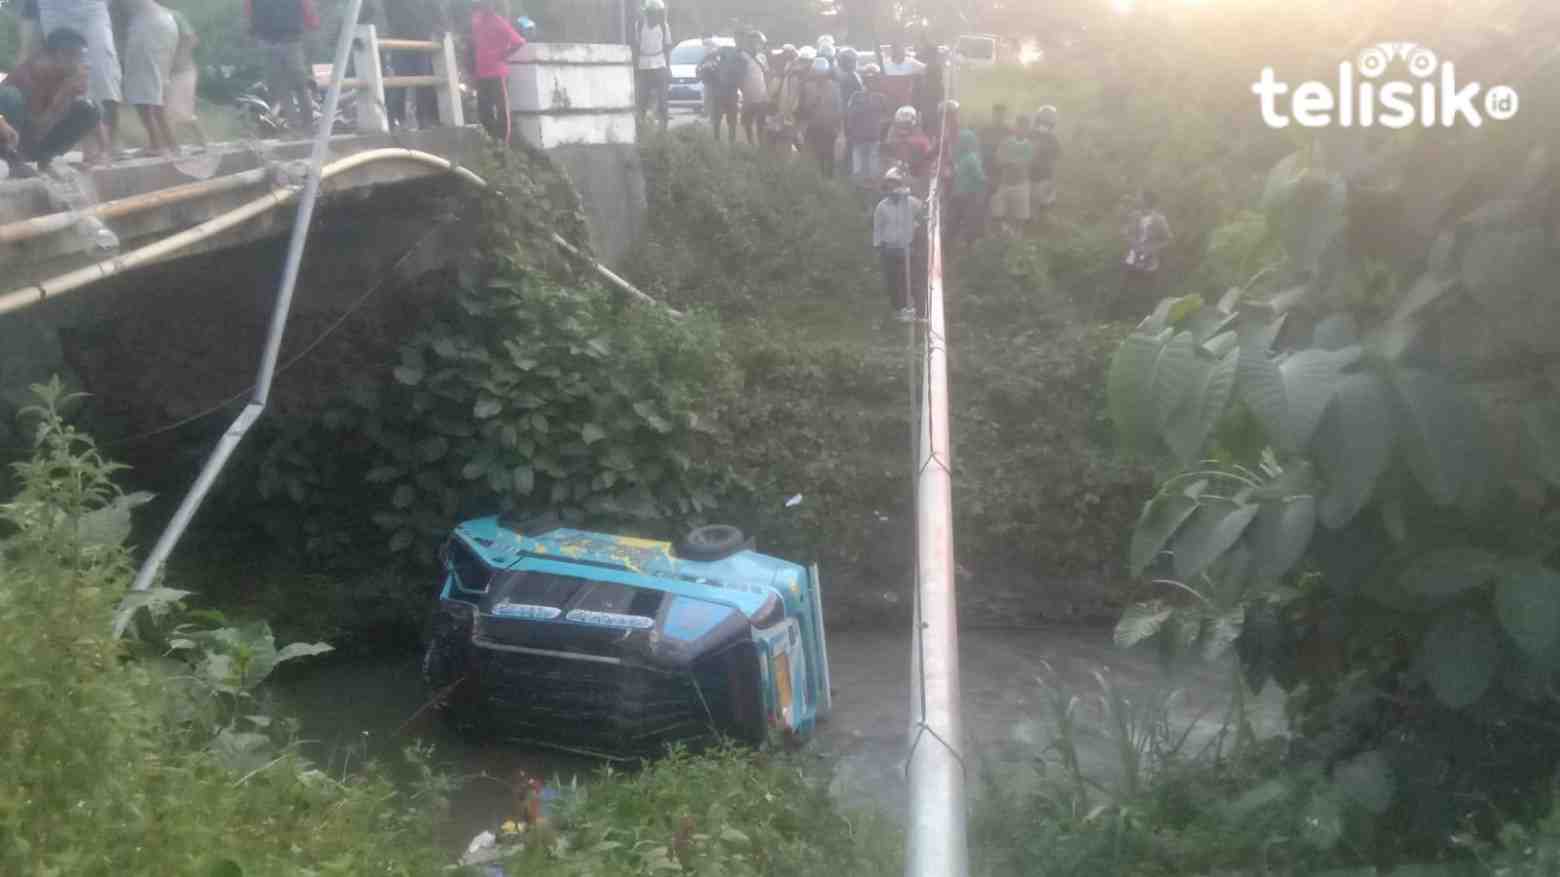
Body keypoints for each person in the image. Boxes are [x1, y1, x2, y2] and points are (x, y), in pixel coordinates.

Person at [0, 27, 101, 178]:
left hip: (33, 139)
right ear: (55, 55)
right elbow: (37, 130)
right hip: (14, 137)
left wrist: (100, 150)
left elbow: (56, 121)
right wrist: (63, 95)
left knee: (90, 108)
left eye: (81, 57)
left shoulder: (65, 75)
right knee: (10, 96)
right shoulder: (30, 76)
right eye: (74, 56)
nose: (79, 63)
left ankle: (45, 159)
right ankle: (13, 160)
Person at [38, 0, 119, 164]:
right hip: (52, 7)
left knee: (104, 74)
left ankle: (108, 146)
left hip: (90, 6)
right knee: (69, 79)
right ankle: (90, 149)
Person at [248, 0, 319, 132]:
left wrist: (253, 30)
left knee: (292, 86)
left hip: (277, 38)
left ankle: (303, 127)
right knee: (292, 86)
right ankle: (301, 127)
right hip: (282, 38)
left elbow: (249, 8)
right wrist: (312, 24)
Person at [122, 0, 180, 155]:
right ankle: (172, 145)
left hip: (148, 23)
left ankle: (157, 145)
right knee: (157, 89)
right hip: (164, 21)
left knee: (141, 89)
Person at [873, 168, 925, 322]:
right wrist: (878, 246)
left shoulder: (912, 203)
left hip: (908, 249)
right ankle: (900, 310)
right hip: (889, 249)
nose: (892, 189)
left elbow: (925, 214)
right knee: (894, 282)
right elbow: (878, 228)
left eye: (894, 185)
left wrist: (917, 227)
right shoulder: (882, 207)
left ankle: (921, 312)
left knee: (913, 280)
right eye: (888, 185)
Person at [469, 0, 525, 144]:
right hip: (481, 73)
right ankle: (491, 138)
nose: (485, 6)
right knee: (483, 109)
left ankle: (503, 142)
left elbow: (519, 42)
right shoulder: (476, 19)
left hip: (497, 73)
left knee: (501, 109)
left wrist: (503, 54)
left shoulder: (499, 22)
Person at [1119, 190, 1173, 318]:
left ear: (1147, 201)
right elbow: (1126, 232)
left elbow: (1168, 239)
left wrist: (1153, 249)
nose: (1137, 200)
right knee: (1126, 290)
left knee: (1147, 293)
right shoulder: (1134, 216)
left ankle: (1144, 318)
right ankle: (1125, 317)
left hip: (1149, 262)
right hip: (1132, 259)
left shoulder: (1159, 219)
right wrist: (1132, 242)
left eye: (1140, 198)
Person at [164, 7, 207, 148]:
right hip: (169, 73)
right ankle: (171, 145)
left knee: (181, 113)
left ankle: (199, 142)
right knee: (170, 112)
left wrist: (179, 58)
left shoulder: (174, 16)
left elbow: (192, 39)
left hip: (184, 72)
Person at [990, 113, 1034, 233]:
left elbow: (1026, 163)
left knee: (1020, 217)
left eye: (1025, 127)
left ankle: (1016, 239)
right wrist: (1012, 162)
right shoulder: (1006, 142)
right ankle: (1003, 234)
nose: (1022, 130)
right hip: (1005, 183)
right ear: (1016, 127)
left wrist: (1010, 161)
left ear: (1028, 129)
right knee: (997, 213)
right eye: (1020, 126)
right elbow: (998, 159)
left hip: (1021, 184)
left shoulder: (1029, 145)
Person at [798, 55, 841, 177]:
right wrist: (812, 104)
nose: (819, 76)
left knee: (828, 156)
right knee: (813, 157)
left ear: (826, 72)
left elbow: (838, 109)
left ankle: (828, 179)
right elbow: (803, 110)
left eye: (821, 73)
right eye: (817, 73)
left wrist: (838, 127)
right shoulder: (807, 87)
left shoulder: (835, 87)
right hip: (813, 127)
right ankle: (815, 180)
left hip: (829, 127)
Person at [844, 65, 887, 183]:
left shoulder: (881, 98)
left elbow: (886, 118)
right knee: (858, 171)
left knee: (873, 171)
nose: (871, 83)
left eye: (873, 80)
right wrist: (849, 132)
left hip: (874, 138)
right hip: (858, 138)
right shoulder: (856, 96)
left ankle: (872, 193)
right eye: (868, 80)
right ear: (864, 81)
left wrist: (882, 134)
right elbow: (849, 115)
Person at [633, 0, 671, 133]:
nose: (653, 17)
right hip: (644, 65)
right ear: (647, 13)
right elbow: (636, 47)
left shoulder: (664, 26)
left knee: (663, 100)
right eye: (650, 14)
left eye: (656, 14)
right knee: (641, 100)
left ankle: (663, 129)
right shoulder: (639, 25)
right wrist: (635, 68)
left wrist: (668, 68)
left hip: (659, 64)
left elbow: (667, 47)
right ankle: (641, 128)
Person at [949, 128, 986, 246]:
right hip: (959, 195)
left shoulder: (971, 158)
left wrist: (980, 194)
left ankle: (968, 244)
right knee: (958, 220)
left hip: (969, 196)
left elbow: (980, 178)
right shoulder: (959, 157)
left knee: (968, 221)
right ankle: (956, 244)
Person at [881, 104, 932, 184]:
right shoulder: (893, 131)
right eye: (901, 124)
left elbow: (926, 147)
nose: (903, 128)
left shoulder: (918, 132)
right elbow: (888, 145)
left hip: (915, 169)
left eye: (906, 124)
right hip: (897, 167)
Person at [1030, 104, 1061, 217]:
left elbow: (1054, 160)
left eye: (1048, 122)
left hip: (1044, 177)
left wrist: (1053, 179)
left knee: (1043, 205)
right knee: (1032, 206)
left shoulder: (1053, 139)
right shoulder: (1031, 135)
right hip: (1031, 176)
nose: (1045, 124)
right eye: (1043, 121)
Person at [737, 31, 768, 147]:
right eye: (759, 43)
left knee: (761, 124)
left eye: (761, 44)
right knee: (748, 124)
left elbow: (766, 74)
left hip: (762, 96)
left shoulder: (762, 57)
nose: (760, 46)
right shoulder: (742, 57)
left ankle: (760, 147)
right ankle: (752, 146)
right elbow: (739, 77)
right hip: (749, 97)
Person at [878, 41, 922, 109]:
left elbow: (927, 69)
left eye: (901, 50)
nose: (899, 53)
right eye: (896, 50)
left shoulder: (911, 62)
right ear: (892, 51)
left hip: (906, 103)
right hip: (890, 102)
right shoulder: (884, 64)